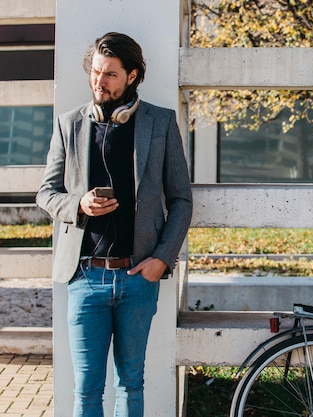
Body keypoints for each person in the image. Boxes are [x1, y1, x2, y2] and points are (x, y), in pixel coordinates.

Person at [36, 32, 193, 417]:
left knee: (130, 383)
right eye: (95, 72)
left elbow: (181, 200)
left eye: (109, 74)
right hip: (85, 277)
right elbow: (45, 194)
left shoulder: (161, 123)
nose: (99, 81)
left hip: (138, 277)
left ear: (132, 76)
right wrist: (79, 204)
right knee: (87, 390)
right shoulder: (68, 125)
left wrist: (162, 259)